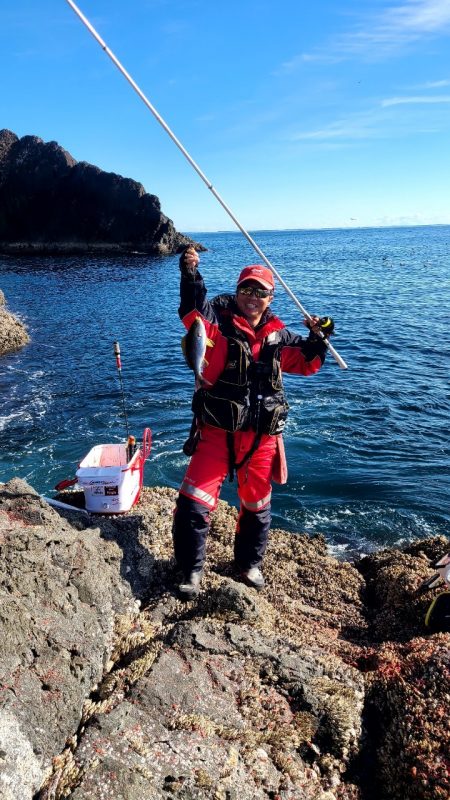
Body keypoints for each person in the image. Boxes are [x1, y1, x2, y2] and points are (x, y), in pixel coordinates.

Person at [173, 246, 334, 599]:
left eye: (260, 292)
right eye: (246, 289)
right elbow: (191, 313)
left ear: (270, 297)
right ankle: (190, 571)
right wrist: (190, 274)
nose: (252, 297)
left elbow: (306, 363)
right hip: (216, 432)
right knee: (194, 501)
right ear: (237, 290)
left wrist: (321, 335)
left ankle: (248, 565)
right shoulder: (215, 321)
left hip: (261, 439)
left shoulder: (279, 335)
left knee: (257, 506)